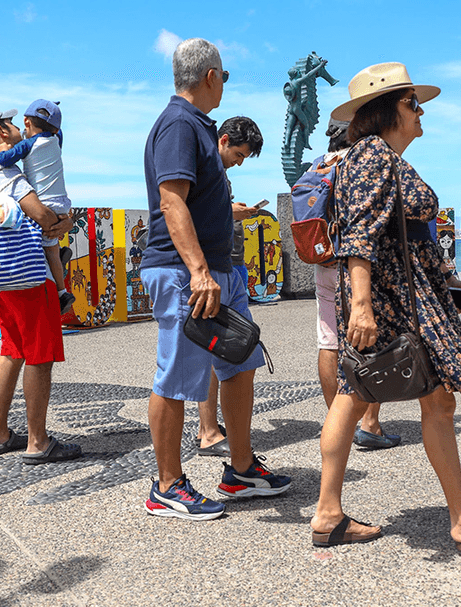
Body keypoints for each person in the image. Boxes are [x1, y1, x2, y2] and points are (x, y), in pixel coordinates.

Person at [311, 62, 461, 561]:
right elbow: (360, 236)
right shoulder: (371, 155)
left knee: (353, 391)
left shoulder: (374, 156)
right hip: (390, 299)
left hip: (396, 292)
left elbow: (398, 235)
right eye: (413, 102)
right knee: (437, 401)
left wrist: (448, 283)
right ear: (387, 110)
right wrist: (362, 307)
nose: (421, 109)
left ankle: (327, 514)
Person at [140, 38, 291, 521]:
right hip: (188, 273)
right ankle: (167, 485)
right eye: (224, 76)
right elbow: (171, 200)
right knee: (177, 375)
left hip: (221, 272)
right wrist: (199, 272)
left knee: (240, 360)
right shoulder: (179, 124)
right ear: (209, 76)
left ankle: (241, 470)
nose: (224, 84)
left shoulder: (200, 127)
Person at [0, 108, 82, 464]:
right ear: (3, 131)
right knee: (40, 357)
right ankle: (38, 441)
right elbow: (42, 216)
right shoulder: (8, 171)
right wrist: (65, 223)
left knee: (12, 351)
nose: (20, 127)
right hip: (29, 278)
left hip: (1, 283)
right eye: (12, 123)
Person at [312, 118, 404, 450]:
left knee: (329, 341)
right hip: (358, 265)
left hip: (324, 261)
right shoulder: (362, 161)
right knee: (368, 341)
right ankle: (369, 424)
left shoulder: (317, 165)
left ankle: (336, 420)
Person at [196, 115, 264, 457]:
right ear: (223, 140)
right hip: (212, 267)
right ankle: (208, 429)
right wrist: (232, 211)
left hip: (228, 264)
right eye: (238, 154)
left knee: (234, 350)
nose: (239, 162)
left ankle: (220, 434)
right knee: (213, 349)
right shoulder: (205, 164)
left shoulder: (217, 170)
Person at [0, 100, 75, 314]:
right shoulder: (56, 140)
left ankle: (59, 291)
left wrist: (5, 147)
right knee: (52, 247)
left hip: (42, 204)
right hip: (61, 204)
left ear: (26, 122)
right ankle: (62, 287)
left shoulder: (27, 144)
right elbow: (55, 130)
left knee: (46, 249)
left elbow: (3, 160)